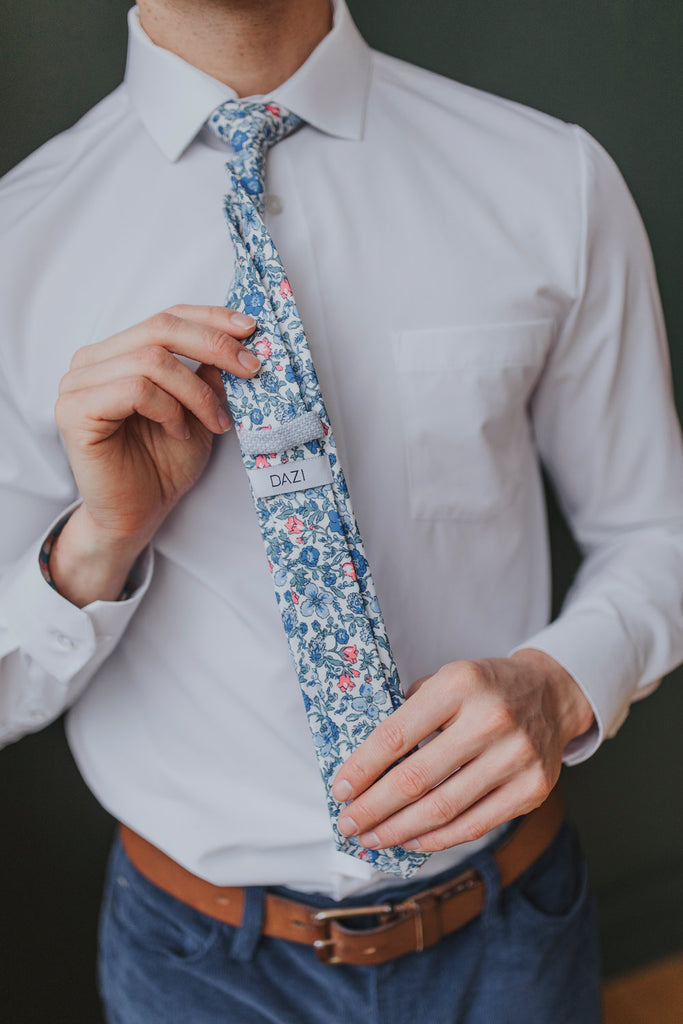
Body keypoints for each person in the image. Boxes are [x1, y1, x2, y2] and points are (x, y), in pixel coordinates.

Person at [1, 0, 682, 1020]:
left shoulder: (549, 181)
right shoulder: (19, 245)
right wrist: (99, 541)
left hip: (509, 932)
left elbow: (655, 534)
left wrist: (560, 685)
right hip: (190, 964)